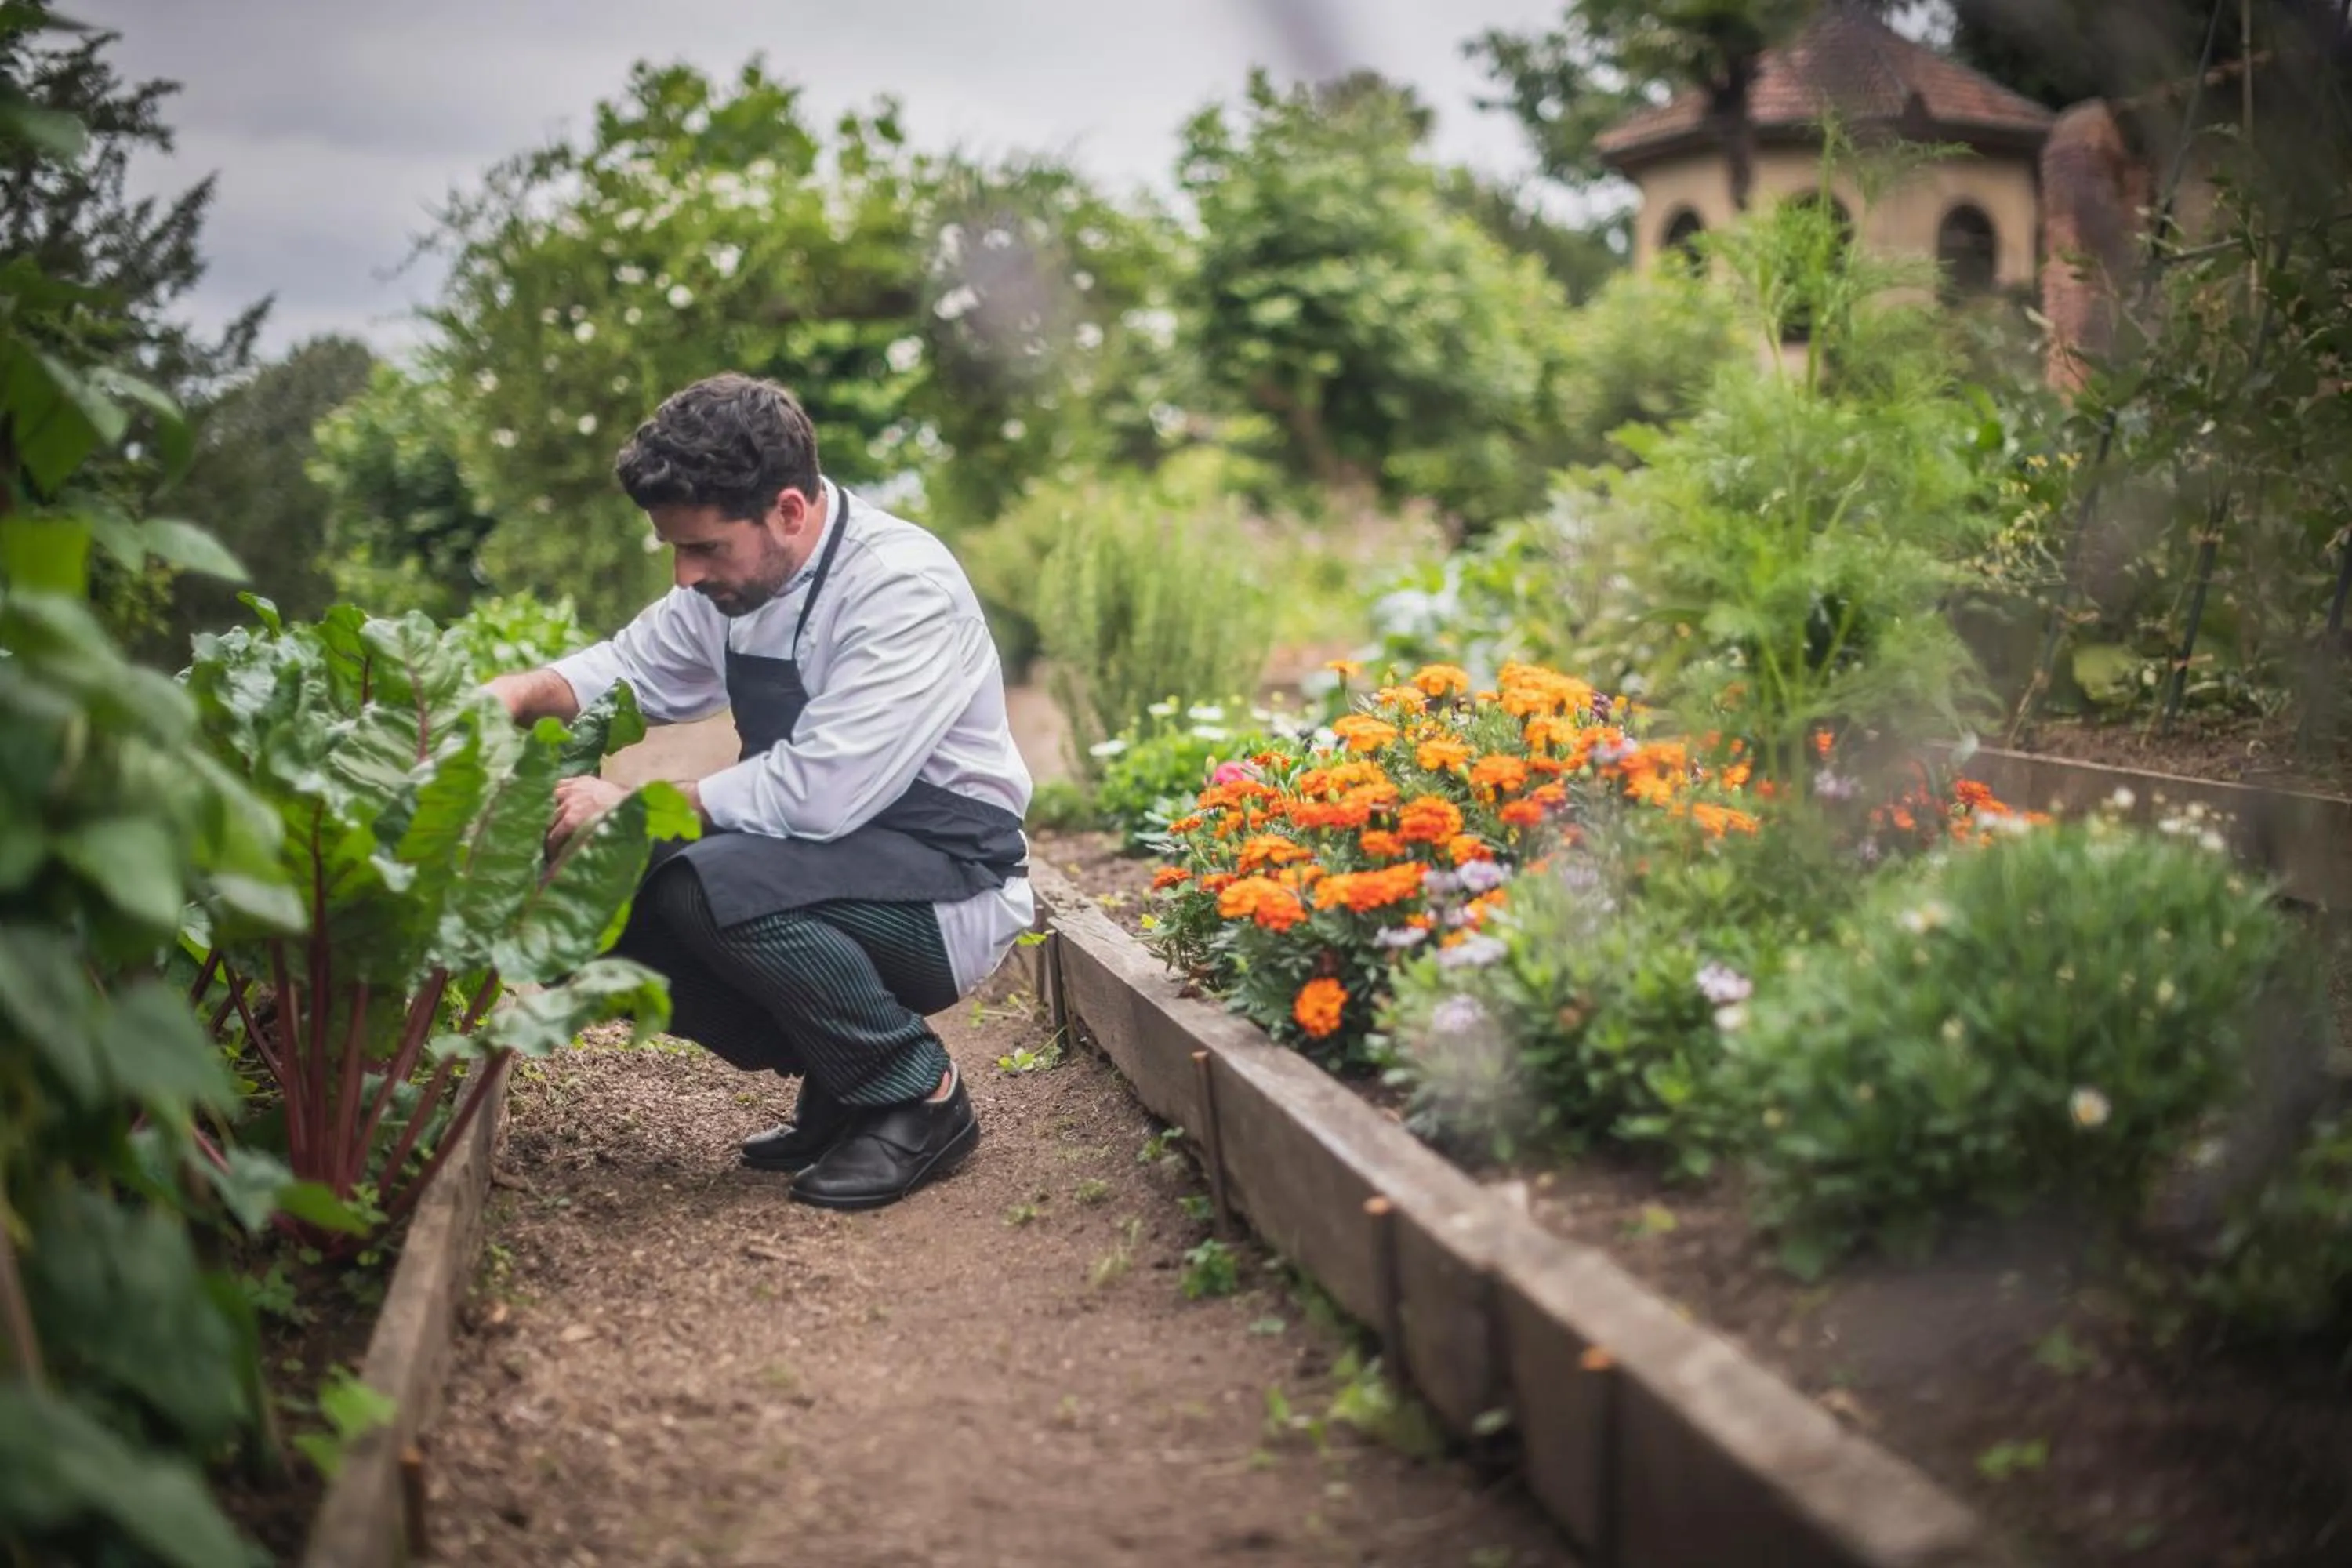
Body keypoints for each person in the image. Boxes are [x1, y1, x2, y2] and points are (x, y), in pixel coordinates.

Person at [487, 372, 1034, 1211]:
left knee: (711, 884)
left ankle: (917, 1096)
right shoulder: (744, 581)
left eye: (704, 548)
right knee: (606, 892)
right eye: (674, 547)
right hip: (827, 861)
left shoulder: (899, 587)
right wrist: (519, 692)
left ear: (788, 509)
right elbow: (632, 667)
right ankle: (841, 1075)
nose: (684, 573)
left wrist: (636, 806)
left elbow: (823, 790)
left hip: (945, 876)